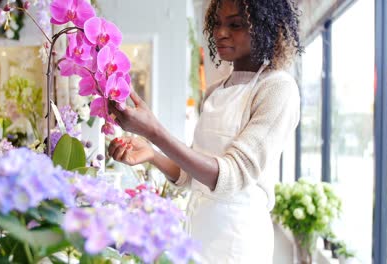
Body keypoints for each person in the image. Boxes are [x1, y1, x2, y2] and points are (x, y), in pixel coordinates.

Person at [107, 0, 303, 262]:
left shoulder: (278, 89)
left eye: (235, 24)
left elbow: (230, 176)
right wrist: (152, 153)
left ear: (266, 27)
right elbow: (192, 176)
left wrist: (155, 132)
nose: (220, 33)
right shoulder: (215, 91)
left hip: (239, 241)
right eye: (217, 23)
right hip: (198, 231)